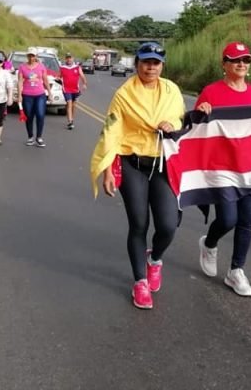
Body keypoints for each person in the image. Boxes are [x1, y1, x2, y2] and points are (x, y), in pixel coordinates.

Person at [90, 42, 185, 310]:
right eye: (146, 62)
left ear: (162, 66)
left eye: (156, 63)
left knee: (168, 225)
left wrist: (172, 123)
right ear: (137, 64)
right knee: (139, 223)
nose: (150, 67)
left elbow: (180, 118)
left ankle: (155, 259)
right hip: (132, 163)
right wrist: (108, 169)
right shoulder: (124, 94)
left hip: (162, 163)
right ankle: (140, 282)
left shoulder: (172, 90)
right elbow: (112, 131)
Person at [195, 42, 251, 297]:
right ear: (224, 64)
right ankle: (209, 244)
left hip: (249, 166)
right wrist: (201, 112)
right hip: (221, 167)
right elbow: (195, 128)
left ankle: (236, 270)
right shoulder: (211, 92)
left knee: (246, 221)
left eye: (246, 60)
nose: (241, 64)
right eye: (235, 59)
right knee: (228, 219)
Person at [17, 47, 51, 147]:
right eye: (29, 56)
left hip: (40, 94)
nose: (31, 58)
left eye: (33, 56)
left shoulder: (41, 66)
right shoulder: (22, 67)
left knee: (40, 115)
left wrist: (49, 93)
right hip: (27, 95)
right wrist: (19, 95)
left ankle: (39, 137)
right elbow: (20, 81)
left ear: (36, 56)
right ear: (27, 56)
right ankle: (30, 137)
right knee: (29, 116)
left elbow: (45, 80)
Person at [59, 52, 87, 130]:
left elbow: (82, 76)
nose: (69, 59)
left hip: (75, 89)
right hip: (66, 89)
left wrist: (84, 84)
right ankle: (70, 122)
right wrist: (58, 79)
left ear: (73, 58)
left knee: (73, 105)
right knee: (69, 103)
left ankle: (72, 119)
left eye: (70, 58)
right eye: (67, 58)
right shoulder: (62, 67)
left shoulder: (77, 67)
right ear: (65, 59)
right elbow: (59, 76)